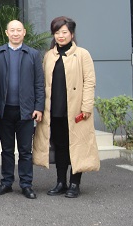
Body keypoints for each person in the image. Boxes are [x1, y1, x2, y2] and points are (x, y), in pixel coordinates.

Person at [33, 16, 99, 198]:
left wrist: (86, 107)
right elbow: (42, 83)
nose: (60, 36)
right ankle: (61, 182)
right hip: (54, 110)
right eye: (57, 33)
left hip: (76, 110)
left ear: (72, 34)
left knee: (77, 146)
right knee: (60, 146)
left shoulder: (83, 54)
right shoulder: (49, 55)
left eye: (64, 32)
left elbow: (90, 82)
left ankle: (75, 184)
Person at [0, 20, 44, 200]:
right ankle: (6, 182)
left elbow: (39, 83)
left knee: (25, 150)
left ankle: (26, 184)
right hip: (4, 110)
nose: (15, 33)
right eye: (12, 30)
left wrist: (39, 107)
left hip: (26, 110)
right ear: (7, 33)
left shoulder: (33, 54)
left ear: (24, 32)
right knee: (6, 149)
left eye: (18, 30)